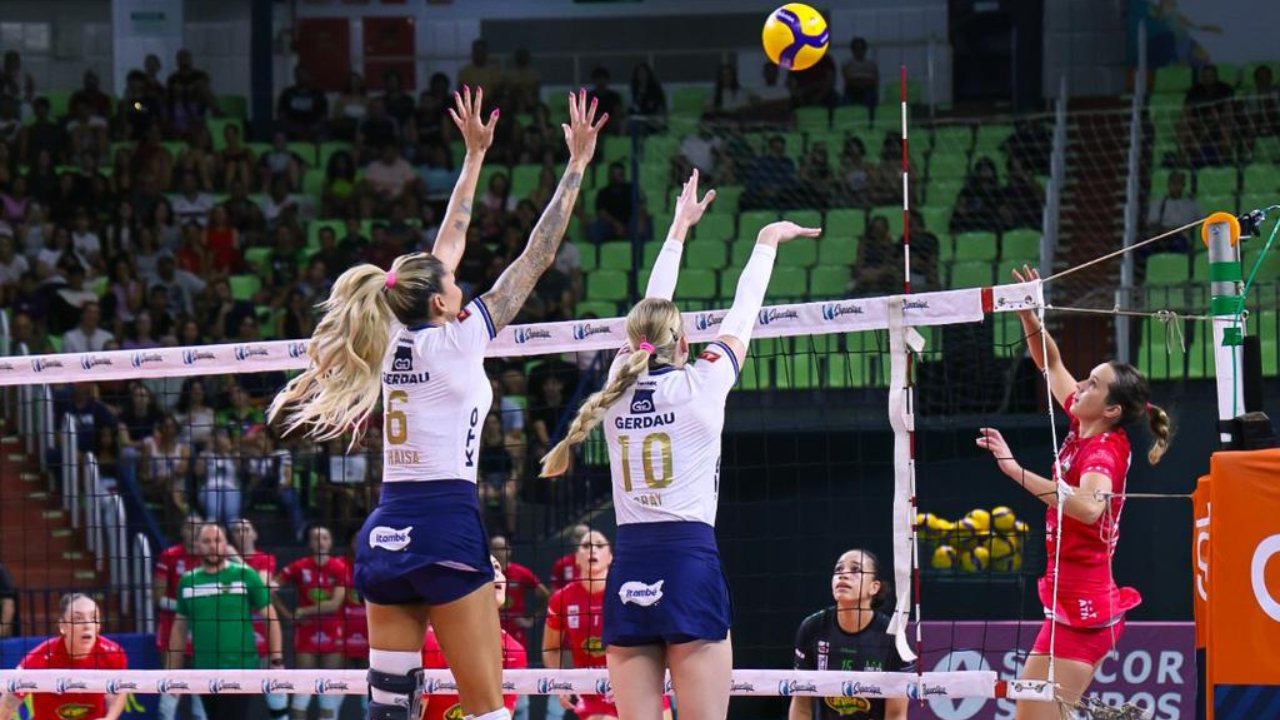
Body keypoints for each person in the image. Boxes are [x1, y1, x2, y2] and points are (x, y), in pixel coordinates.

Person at [266, 89, 605, 720]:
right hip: (446, 522)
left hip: (386, 530)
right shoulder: (461, 338)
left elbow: (447, 242)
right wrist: (577, 165)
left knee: (391, 709)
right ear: (442, 303)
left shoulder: (391, 331)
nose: (461, 282)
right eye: (455, 284)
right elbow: (536, 258)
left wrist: (474, 157)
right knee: (487, 710)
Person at [541, 169, 821, 720]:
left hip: (631, 564)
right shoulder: (703, 383)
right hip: (688, 563)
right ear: (686, 343)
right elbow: (744, 312)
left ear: (633, 343)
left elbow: (652, 305)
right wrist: (767, 241)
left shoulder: (615, 386)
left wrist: (678, 230)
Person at [974, 265, 1172, 719]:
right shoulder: (1084, 423)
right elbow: (1052, 365)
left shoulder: (1104, 451)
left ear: (1112, 410)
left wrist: (1015, 471)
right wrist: (1028, 315)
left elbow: (1087, 508)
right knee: (1035, 713)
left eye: (1094, 384)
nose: (1081, 385)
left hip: (1084, 613)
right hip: (1068, 603)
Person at [543, 530, 672, 720]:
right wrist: (562, 681)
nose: (592, 550)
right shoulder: (562, 599)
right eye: (586, 546)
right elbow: (551, 649)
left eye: (599, 545)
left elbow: (656, 641)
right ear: (576, 558)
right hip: (592, 690)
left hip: (635, 681)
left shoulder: (629, 594)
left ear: (611, 557)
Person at [167, 523, 282, 719]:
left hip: (241, 667)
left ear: (226, 544)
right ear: (197, 545)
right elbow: (179, 627)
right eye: (206, 541)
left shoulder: (245, 575)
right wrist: (172, 670)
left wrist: (276, 660)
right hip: (204, 668)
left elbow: (270, 616)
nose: (213, 546)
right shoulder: (188, 581)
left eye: (217, 540)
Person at [789, 549, 910, 720]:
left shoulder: (893, 636)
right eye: (838, 569)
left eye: (855, 570)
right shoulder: (812, 628)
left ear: (874, 587)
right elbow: (801, 704)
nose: (843, 575)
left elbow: (896, 714)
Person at [420, 554, 527, 720]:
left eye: (497, 567)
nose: (495, 573)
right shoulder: (430, 641)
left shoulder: (514, 651)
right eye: (484, 567)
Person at [0, 594, 128, 720]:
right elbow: (8, 702)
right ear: (62, 626)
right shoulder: (39, 658)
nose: (87, 624)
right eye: (78, 618)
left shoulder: (113, 653)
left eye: (94, 617)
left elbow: (118, 692)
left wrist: (110, 718)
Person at [276, 524, 350, 720]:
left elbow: (334, 604)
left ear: (331, 542)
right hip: (306, 631)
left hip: (332, 630)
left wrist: (302, 610)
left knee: (328, 694)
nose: (321, 542)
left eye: (325, 538)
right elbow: (269, 588)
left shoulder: (339, 567)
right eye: (316, 538)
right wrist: (287, 614)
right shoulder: (299, 566)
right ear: (309, 543)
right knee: (302, 692)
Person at [230, 518, 290, 720]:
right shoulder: (222, 563)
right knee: (233, 700)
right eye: (237, 530)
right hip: (236, 641)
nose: (242, 533)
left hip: (264, 635)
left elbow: (261, 589)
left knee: (276, 699)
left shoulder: (264, 558)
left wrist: (235, 559)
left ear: (255, 534)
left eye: (246, 529)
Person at [154, 513, 208, 720]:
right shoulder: (169, 555)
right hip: (173, 626)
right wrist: (186, 608)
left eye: (198, 527)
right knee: (172, 680)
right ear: (182, 530)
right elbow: (158, 597)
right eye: (189, 527)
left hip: (202, 629)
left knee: (200, 685)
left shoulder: (210, 557)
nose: (194, 531)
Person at [550, 523, 591, 590]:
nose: (582, 540)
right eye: (578, 536)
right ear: (572, 539)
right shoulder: (562, 563)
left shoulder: (601, 562)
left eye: (586, 536)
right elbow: (555, 590)